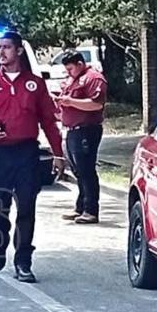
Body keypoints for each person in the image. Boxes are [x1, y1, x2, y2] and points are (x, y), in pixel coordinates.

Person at [0, 32, 65, 283]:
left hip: (26, 152)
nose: (1, 52)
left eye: (7, 47)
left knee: (26, 206)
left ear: (19, 51)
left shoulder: (35, 84)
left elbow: (48, 121)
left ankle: (23, 261)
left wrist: (58, 154)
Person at [55, 51, 108, 225]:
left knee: (86, 170)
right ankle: (80, 207)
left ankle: (91, 210)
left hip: (86, 130)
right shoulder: (73, 79)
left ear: (80, 64)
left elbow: (96, 104)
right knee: (78, 171)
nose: (68, 72)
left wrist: (70, 102)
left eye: (70, 68)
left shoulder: (93, 78)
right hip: (72, 130)